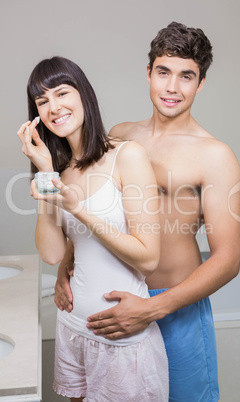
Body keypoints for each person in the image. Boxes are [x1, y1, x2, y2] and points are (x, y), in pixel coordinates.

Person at [55, 22, 240, 401]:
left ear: (200, 83)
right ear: (148, 73)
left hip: (176, 307)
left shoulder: (214, 155)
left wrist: (152, 308)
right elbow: (90, 209)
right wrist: (66, 266)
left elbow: (228, 259)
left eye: (186, 76)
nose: (172, 87)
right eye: (164, 72)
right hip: (117, 303)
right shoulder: (121, 136)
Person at [17, 56, 169, 402]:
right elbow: (52, 252)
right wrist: (45, 174)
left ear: (83, 93)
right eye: (42, 101)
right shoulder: (60, 170)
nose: (53, 107)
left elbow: (148, 260)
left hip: (121, 341)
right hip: (73, 330)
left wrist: (79, 210)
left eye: (61, 93)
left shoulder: (127, 156)